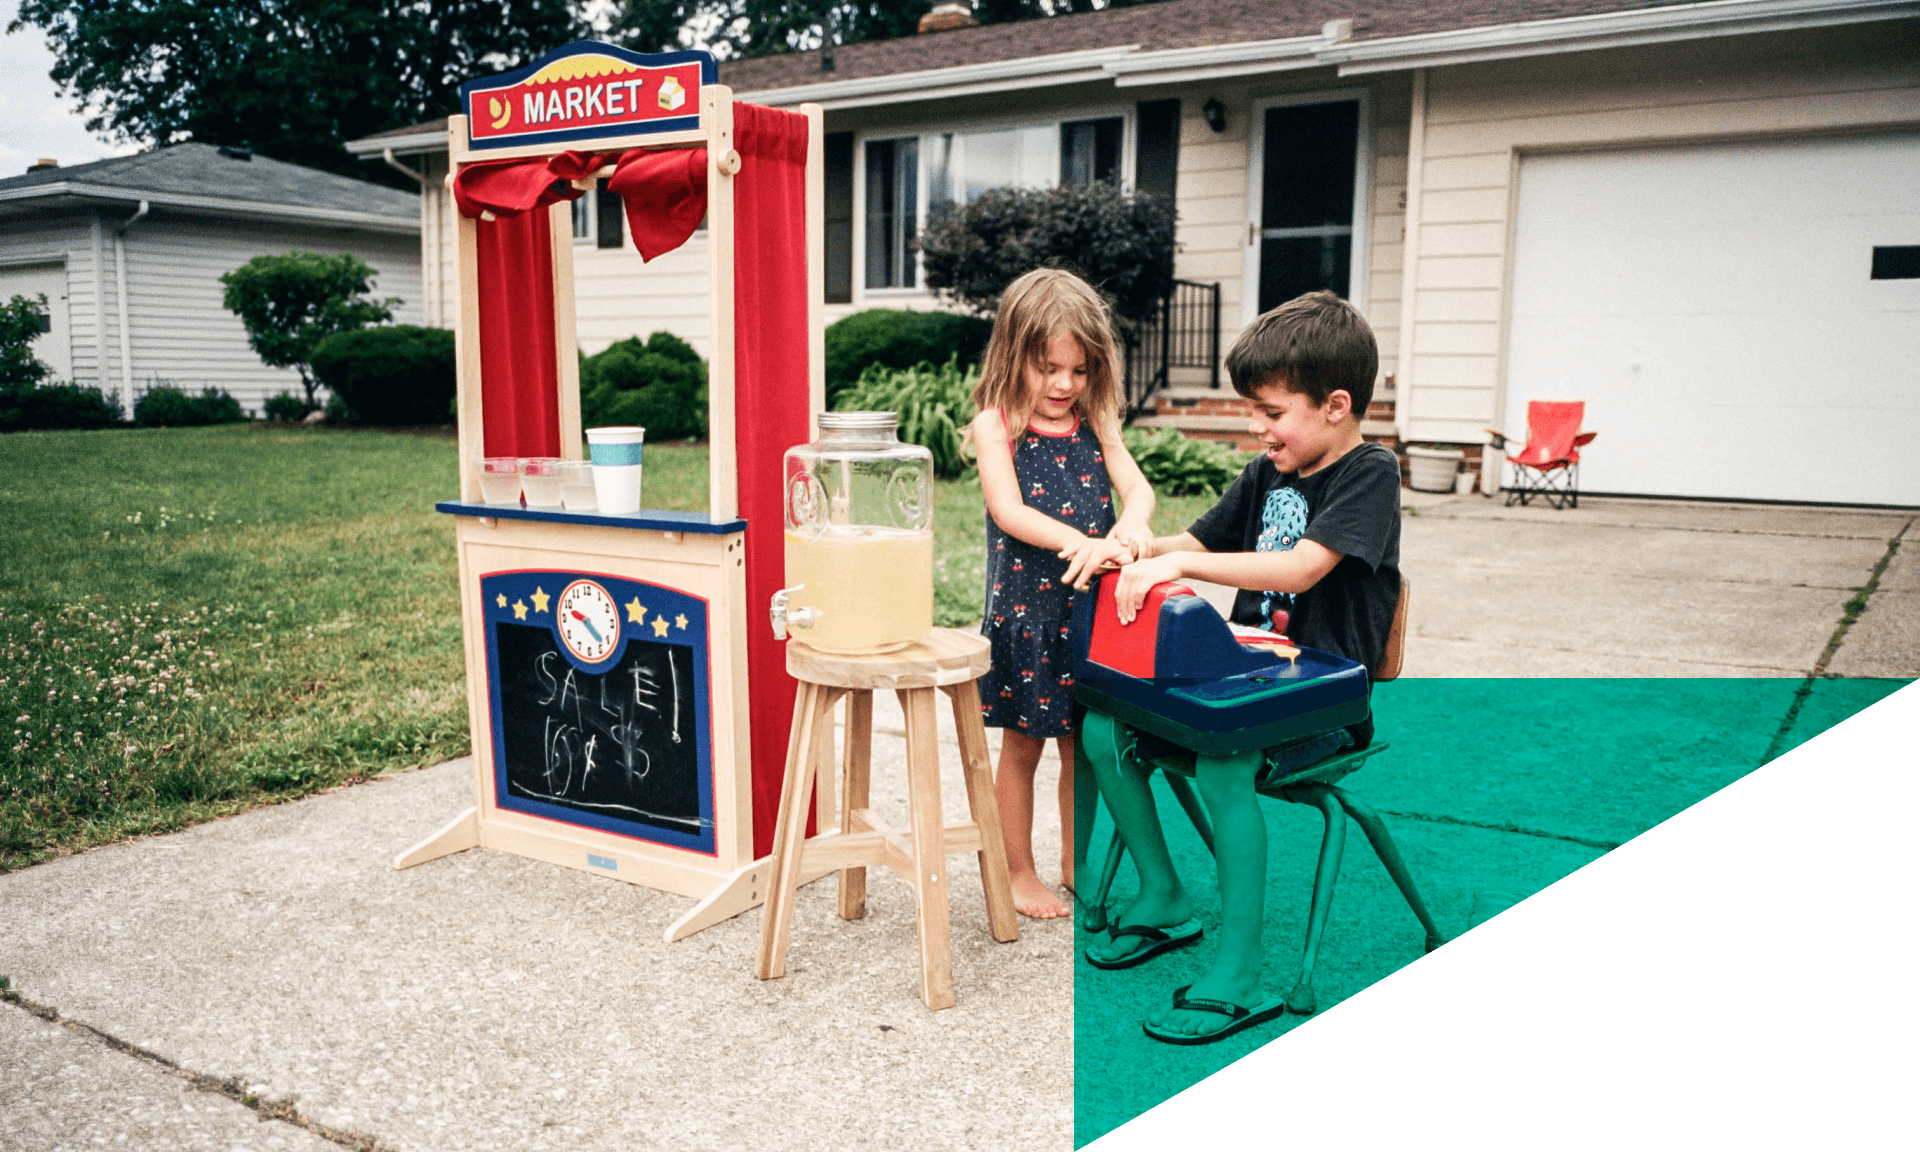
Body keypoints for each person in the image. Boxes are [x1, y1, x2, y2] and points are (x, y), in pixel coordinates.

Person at [1081, 290, 1401, 1043]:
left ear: (1335, 405)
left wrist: (1184, 562)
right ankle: (1163, 894)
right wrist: (1132, 548)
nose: (1256, 429)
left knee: (1224, 762)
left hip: (1325, 706)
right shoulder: (1267, 474)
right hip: (1241, 683)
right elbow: (1186, 540)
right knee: (1105, 728)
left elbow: (1299, 571)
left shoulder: (1369, 474)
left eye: (1271, 412)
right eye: (1252, 412)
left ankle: (1240, 967)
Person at [970, 268, 1156, 920]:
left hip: (1090, 620)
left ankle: (1076, 865)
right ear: (1013, 354)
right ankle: (1016, 870)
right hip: (1029, 619)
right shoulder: (998, 426)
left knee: (1085, 747)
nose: (1063, 385)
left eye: (1078, 371)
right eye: (1047, 368)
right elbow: (1010, 510)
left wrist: (1130, 525)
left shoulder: (1095, 419)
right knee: (1023, 747)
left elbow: (1138, 489)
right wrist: (1081, 541)